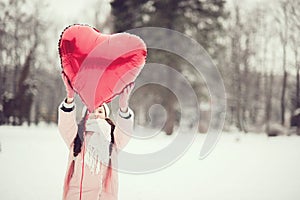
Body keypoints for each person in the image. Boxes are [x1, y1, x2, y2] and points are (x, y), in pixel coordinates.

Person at [58, 73, 134, 200]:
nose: (95, 114)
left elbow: (124, 132)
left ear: (105, 116)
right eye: (91, 111)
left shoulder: (112, 138)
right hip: (77, 196)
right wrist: (70, 98)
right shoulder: (77, 136)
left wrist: (123, 108)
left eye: (99, 111)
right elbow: (65, 125)